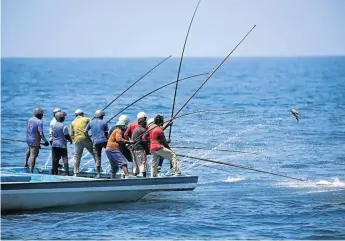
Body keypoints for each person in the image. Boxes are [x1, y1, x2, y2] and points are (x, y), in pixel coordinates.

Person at [70, 109, 97, 177]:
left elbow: (71, 134)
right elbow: (93, 125)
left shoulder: (73, 122)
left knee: (77, 157)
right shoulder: (86, 119)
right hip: (86, 138)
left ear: (76, 115)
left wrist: (75, 139)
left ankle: (75, 173)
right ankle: (99, 169)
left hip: (77, 140)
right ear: (82, 114)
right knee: (94, 153)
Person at [84, 110, 109, 178]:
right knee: (110, 154)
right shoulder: (104, 122)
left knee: (97, 157)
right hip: (104, 141)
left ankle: (98, 174)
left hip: (95, 142)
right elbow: (106, 133)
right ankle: (113, 170)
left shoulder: (91, 122)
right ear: (101, 116)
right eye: (102, 116)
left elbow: (85, 131)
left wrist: (89, 137)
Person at [25, 108, 49, 173]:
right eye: (42, 115)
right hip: (35, 140)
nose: (42, 116)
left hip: (28, 138)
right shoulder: (39, 122)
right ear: (40, 115)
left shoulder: (29, 119)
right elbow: (41, 133)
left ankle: (25, 163)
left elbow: (28, 129)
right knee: (33, 155)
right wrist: (45, 141)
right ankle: (31, 171)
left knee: (29, 149)